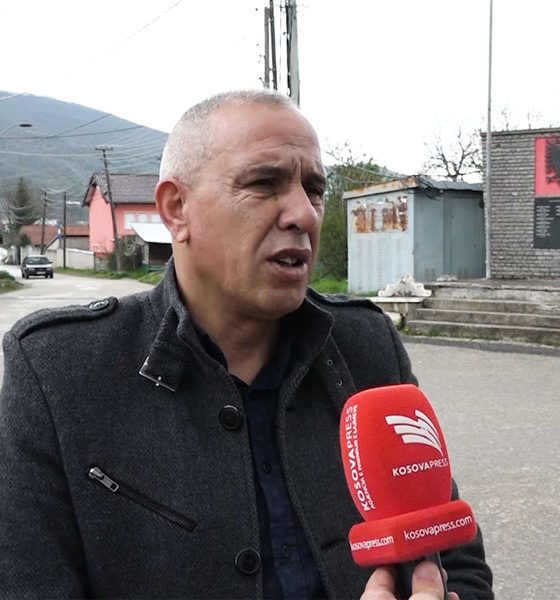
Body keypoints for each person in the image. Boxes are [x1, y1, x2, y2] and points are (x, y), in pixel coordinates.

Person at [0, 90, 493, 599]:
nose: (304, 215)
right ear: (176, 209)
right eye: (263, 183)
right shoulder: (58, 372)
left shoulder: (366, 345)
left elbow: (456, 561)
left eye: (314, 189)